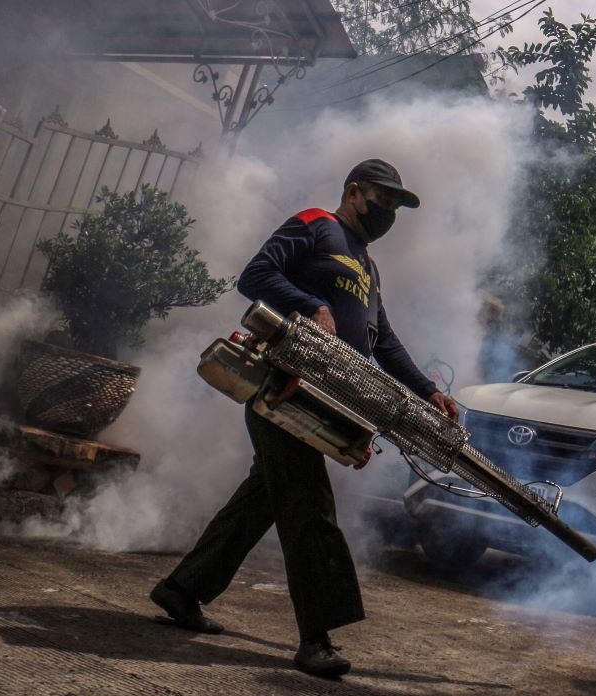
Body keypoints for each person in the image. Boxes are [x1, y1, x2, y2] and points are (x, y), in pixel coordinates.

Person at [149, 159, 459, 678]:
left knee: (265, 497)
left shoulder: (368, 266)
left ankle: (181, 590)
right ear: (354, 192)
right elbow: (255, 275)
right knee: (309, 506)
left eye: (396, 205)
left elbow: (383, 340)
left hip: (324, 401)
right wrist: (309, 303)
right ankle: (316, 638)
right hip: (282, 388)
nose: (389, 212)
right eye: (383, 199)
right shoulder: (315, 224)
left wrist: (428, 390)